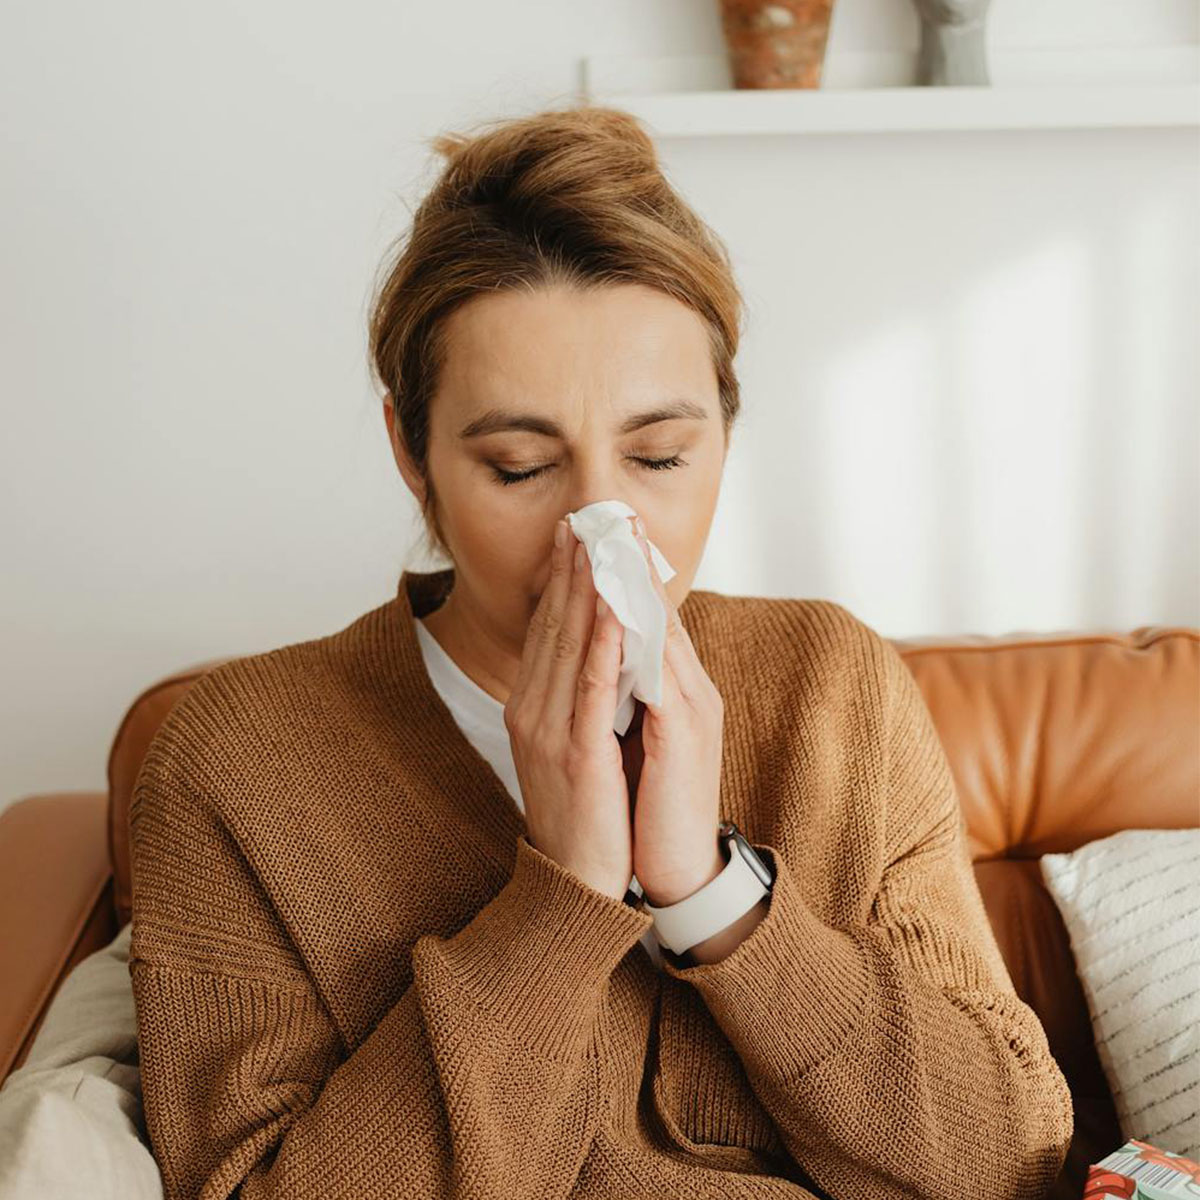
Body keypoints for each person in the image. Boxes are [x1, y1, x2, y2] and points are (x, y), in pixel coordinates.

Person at [128, 103, 1074, 1199]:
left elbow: (1011, 1160)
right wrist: (563, 898)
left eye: (661, 457)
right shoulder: (235, 763)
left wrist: (712, 892)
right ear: (411, 452)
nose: (600, 529)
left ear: (724, 429)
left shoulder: (832, 685)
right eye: (523, 468)